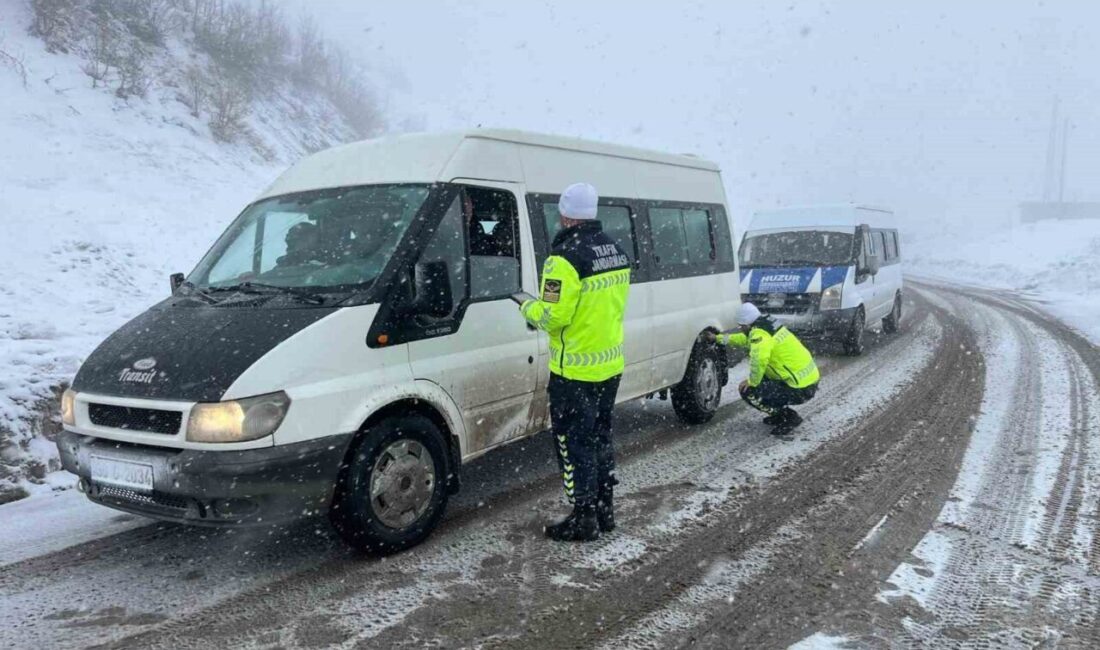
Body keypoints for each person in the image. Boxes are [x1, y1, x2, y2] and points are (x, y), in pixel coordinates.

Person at [518, 182, 631, 542]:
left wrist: (527, 306)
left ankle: (584, 517)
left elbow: (553, 317)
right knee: (600, 438)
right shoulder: (615, 250)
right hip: (609, 365)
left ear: (565, 215)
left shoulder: (563, 259)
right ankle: (604, 510)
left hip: (574, 371)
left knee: (573, 443)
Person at [709, 302, 819, 436]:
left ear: (747, 324)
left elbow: (759, 360)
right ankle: (780, 413)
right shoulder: (767, 325)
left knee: (748, 391)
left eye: (741, 326)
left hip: (799, 388)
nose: (740, 329)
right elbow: (744, 339)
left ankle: (788, 417)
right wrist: (717, 338)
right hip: (807, 380)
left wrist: (752, 382)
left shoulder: (759, 334)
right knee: (763, 378)